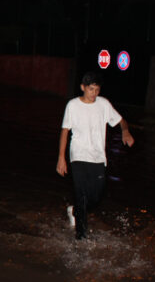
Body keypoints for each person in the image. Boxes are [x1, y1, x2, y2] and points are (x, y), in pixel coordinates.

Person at [56, 71, 134, 240]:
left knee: (96, 197)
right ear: (83, 87)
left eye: (97, 90)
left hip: (98, 158)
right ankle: (81, 239)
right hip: (78, 156)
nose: (94, 94)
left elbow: (121, 120)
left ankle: (75, 211)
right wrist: (61, 157)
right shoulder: (73, 105)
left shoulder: (103, 104)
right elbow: (65, 131)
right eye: (91, 89)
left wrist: (125, 131)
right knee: (82, 196)